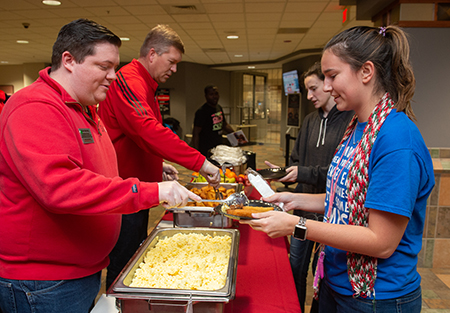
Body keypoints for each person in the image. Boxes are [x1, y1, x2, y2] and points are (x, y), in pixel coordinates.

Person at [0, 18, 201, 313]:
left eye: (114, 67)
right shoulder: (36, 107)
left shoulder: (85, 107)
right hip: (43, 282)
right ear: (69, 60)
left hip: (78, 271)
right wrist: (149, 190)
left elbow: (96, 168)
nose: (113, 76)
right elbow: (60, 188)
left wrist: (153, 172)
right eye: (103, 67)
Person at [242, 25, 435, 313]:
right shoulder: (357, 128)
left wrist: (298, 225)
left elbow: (380, 241)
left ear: (366, 72)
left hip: (375, 297)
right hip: (335, 281)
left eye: (333, 76)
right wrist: (294, 200)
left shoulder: (396, 139)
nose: (328, 86)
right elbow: (344, 198)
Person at [98, 25, 221, 289]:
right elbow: (147, 130)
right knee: (124, 266)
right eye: (172, 62)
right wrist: (200, 161)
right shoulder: (129, 80)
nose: (175, 69)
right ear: (152, 54)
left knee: (133, 256)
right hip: (124, 192)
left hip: (138, 189)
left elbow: (134, 136)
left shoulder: (145, 83)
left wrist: (158, 164)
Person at [265, 62, 354, 313]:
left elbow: (342, 175)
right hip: (303, 212)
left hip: (330, 218)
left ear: (328, 86)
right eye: (308, 89)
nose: (310, 95)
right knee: (295, 266)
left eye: (313, 88)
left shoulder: (350, 122)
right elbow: (296, 161)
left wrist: (302, 172)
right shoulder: (309, 121)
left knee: (321, 271)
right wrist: (282, 174)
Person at [192, 85, 234, 156]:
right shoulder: (202, 111)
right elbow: (196, 133)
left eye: (216, 94)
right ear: (206, 96)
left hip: (219, 147)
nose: (214, 96)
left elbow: (224, 125)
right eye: (211, 94)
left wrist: (236, 136)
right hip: (206, 149)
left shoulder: (219, 108)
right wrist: (197, 152)